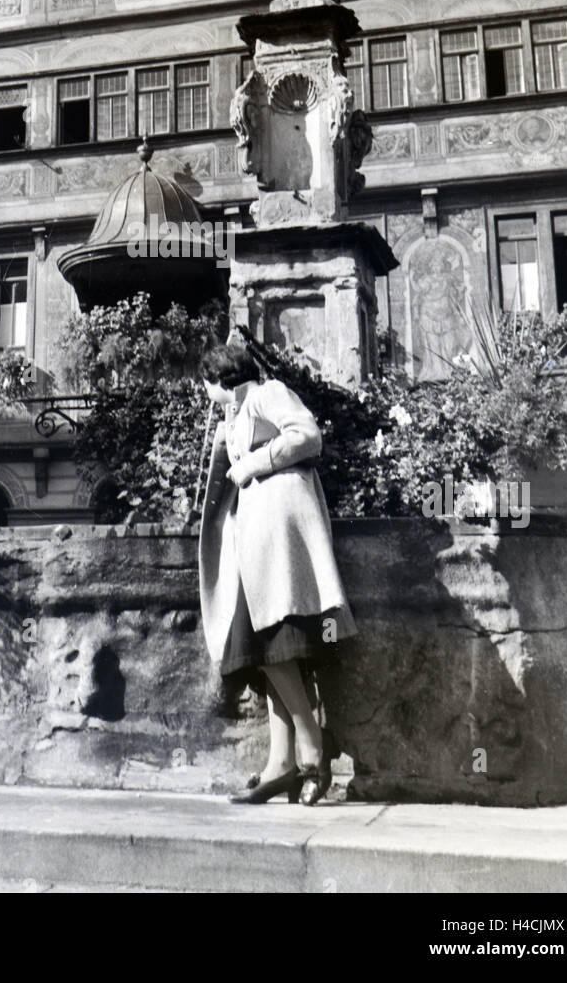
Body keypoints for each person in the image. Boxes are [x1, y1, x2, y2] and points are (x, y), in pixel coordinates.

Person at [197, 341, 356, 806]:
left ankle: (311, 746)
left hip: (282, 543)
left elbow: (308, 435)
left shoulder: (268, 392)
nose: (203, 392)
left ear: (219, 377)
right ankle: (280, 764)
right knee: (272, 646)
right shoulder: (239, 414)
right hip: (261, 544)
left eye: (205, 382)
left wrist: (251, 463)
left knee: (269, 644)